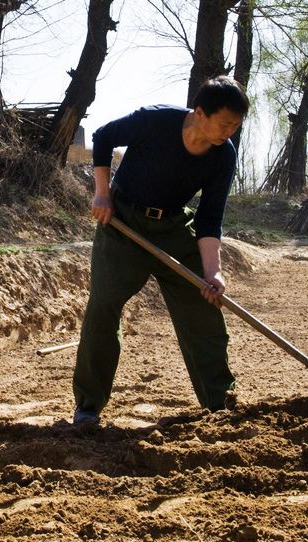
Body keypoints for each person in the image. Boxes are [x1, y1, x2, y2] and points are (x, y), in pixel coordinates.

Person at [72, 76, 250, 425]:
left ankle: (220, 401)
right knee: (104, 305)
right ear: (200, 113)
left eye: (236, 126)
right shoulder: (156, 121)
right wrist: (102, 192)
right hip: (123, 222)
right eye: (225, 123)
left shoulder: (222, 156)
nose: (228, 132)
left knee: (204, 304)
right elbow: (103, 136)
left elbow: (210, 217)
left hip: (172, 228)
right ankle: (88, 405)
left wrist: (212, 272)